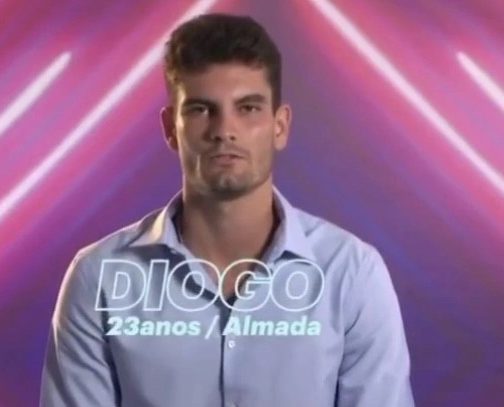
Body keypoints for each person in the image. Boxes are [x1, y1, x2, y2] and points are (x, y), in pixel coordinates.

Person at [40, 12, 415, 407]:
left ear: (280, 126)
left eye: (248, 108)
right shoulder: (98, 277)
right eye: (201, 109)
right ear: (170, 128)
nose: (224, 130)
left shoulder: (351, 273)